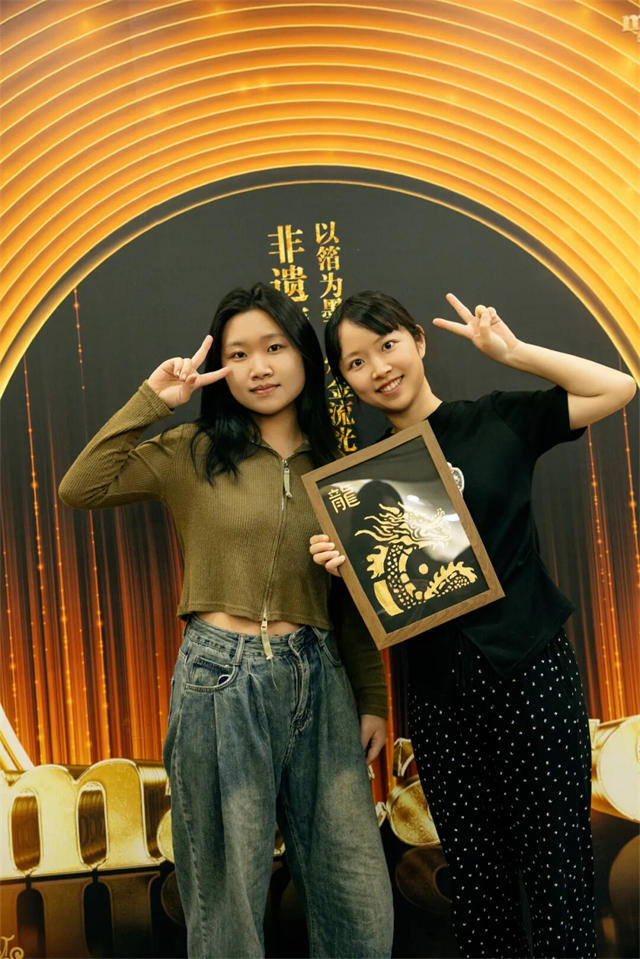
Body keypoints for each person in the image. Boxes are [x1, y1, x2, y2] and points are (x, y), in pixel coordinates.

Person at [59, 283, 394, 959]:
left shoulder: (339, 468)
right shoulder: (193, 449)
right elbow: (80, 485)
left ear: (304, 357)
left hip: (320, 680)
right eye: (238, 354)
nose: (258, 367)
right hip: (220, 682)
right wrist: (155, 399)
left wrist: (373, 698)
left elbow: (350, 601)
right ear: (222, 369)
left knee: (357, 900)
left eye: (274, 348)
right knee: (227, 902)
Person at [311, 290, 636, 959]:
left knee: (558, 874)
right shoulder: (362, 487)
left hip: (531, 672)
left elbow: (618, 387)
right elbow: (392, 601)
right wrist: (349, 570)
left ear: (418, 341)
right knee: (478, 888)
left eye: (387, 345)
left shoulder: (495, 419)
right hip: (439, 699)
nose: (379, 369)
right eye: (356, 362)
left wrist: (513, 354)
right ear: (345, 380)